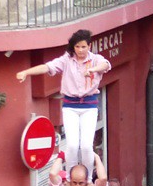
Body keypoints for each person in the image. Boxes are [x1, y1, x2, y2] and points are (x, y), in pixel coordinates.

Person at [15, 29, 111, 168]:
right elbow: (47, 67)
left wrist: (92, 70)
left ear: (89, 46)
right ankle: (70, 176)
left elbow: (105, 65)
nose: (80, 50)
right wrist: (26, 72)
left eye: (83, 46)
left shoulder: (95, 59)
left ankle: (88, 179)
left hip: (89, 106)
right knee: (72, 146)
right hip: (70, 106)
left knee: (85, 146)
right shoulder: (66, 59)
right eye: (77, 47)